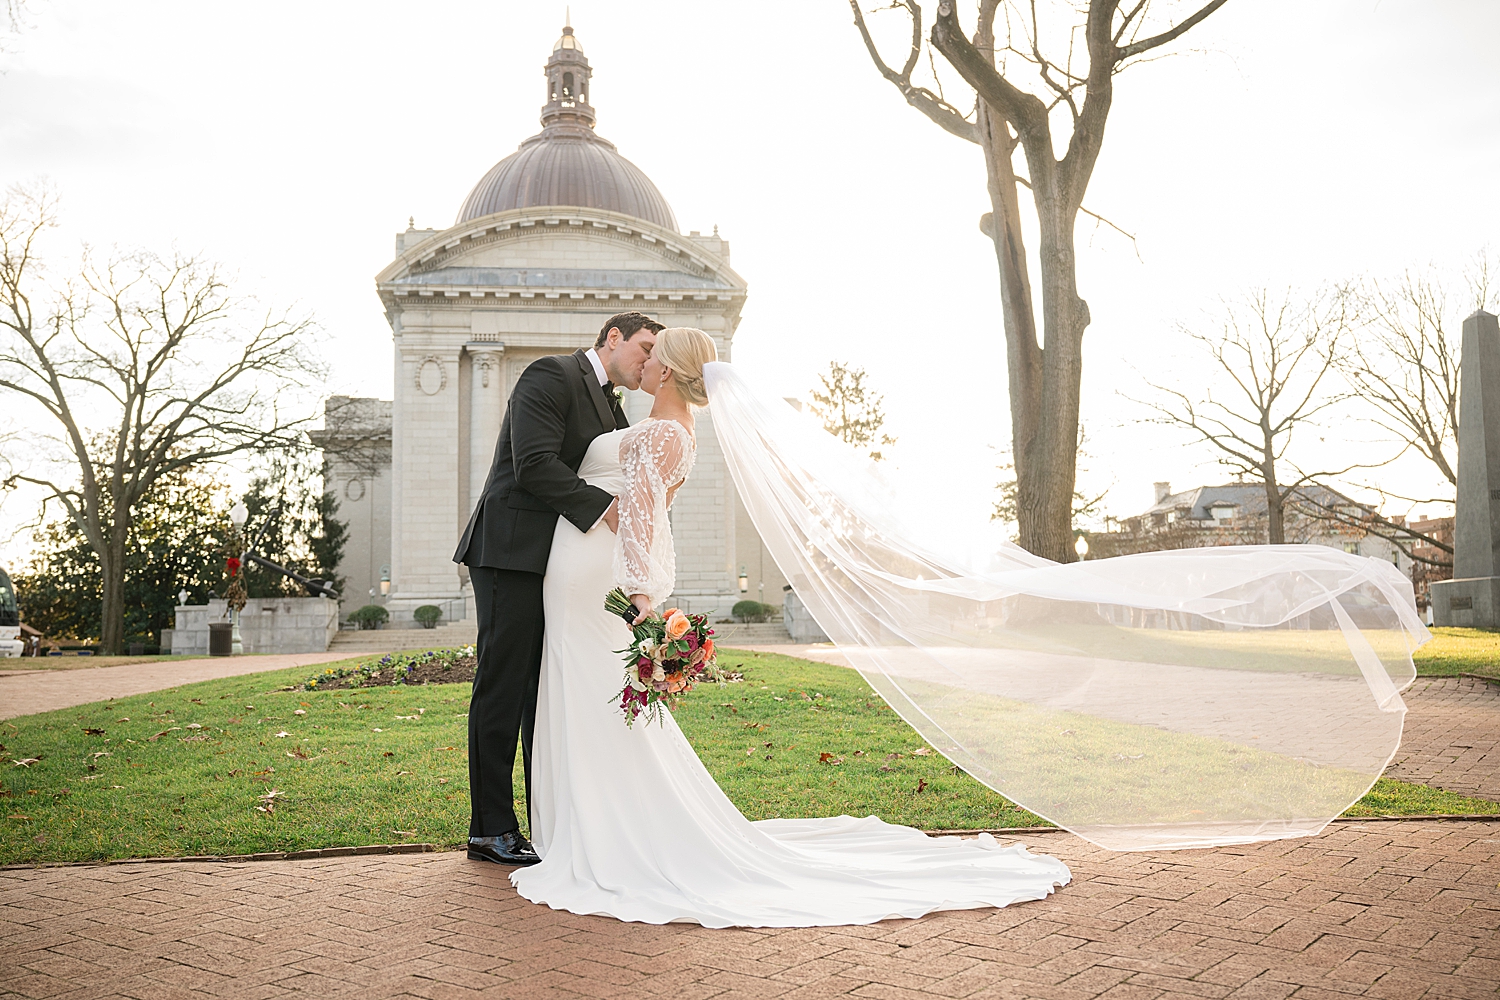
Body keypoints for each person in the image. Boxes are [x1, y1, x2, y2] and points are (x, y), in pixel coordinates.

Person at [509, 327, 1072, 926]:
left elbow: (645, 518)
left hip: (594, 570)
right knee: (585, 686)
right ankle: (584, 822)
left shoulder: (659, 434)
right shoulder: (672, 432)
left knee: (591, 688)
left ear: (668, 372)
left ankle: (603, 831)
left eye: (652, 355)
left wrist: (642, 595)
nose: (642, 362)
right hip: (585, 565)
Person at [455, 311, 663, 866]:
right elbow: (533, 464)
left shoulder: (614, 406)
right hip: (511, 552)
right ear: (613, 337)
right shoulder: (550, 374)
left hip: (557, 563)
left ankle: (546, 824)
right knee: (504, 683)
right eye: (644, 346)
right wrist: (609, 511)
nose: (648, 359)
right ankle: (490, 828)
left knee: (539, 694)